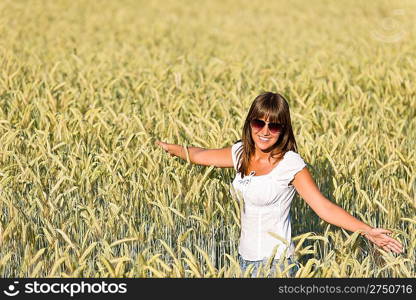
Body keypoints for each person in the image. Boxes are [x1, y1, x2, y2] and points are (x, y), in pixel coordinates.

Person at [155, 92, 404, 278]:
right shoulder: (242, 152)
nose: (265, 131)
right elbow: (200, 155)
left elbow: (324, 208)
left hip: (277, 267)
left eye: (273, 125)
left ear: (283, 129)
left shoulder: (290, 164)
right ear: (250, 123)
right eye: (258, 123)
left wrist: (367, 230)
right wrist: (167, 147)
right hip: (242, 261)